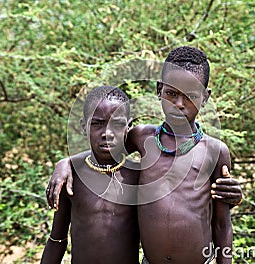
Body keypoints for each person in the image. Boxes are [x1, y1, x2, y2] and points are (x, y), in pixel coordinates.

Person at [47, 46, 241, 263]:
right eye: (171, 93)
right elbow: (104, 150)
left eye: (191, 96)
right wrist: (65, 163)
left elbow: (222, 224)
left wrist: (233, 195)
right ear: (159, 90)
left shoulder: (215, 151)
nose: (179, 104)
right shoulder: (141, 137)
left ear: (205, 98)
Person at [41, 86, 140, 263]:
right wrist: (66, 162)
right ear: (83, 126)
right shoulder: (72, 177)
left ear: (128, 127)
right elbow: (57, 239)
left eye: (117, 124)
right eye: (97, 124)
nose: (107, 133)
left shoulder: (138, 177)